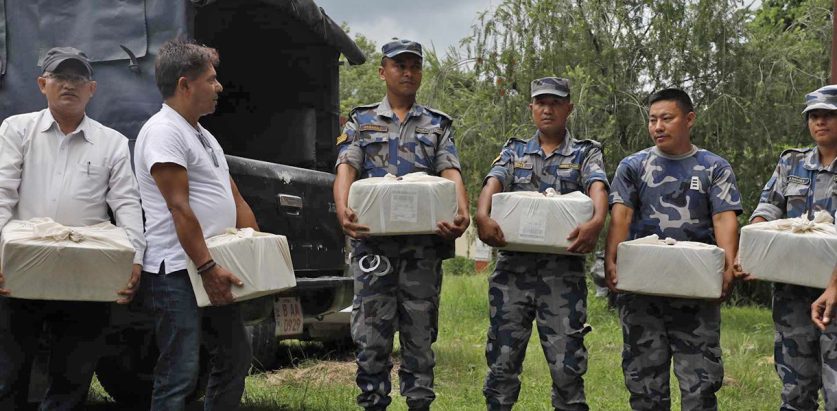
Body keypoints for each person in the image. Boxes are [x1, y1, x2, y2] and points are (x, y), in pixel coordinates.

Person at [0, 47, 145, 409]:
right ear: (42, 84)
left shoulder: (110, 142)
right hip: (20, 270)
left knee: (73, 377)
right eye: (60, 77)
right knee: (8, 373)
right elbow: (2, 193)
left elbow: (126, 204)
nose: (69, 85)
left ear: (92, 89)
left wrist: (135, 260)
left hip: (86, 274)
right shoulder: (17, 130)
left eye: (78, 78)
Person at [332, 38, 469, 411]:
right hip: (373, 248)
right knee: (371, 336)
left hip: (422, 250)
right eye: (399, 65)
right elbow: (346, 167)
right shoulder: (361, 121)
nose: (408, 72)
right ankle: (373, 402)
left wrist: (462, 212)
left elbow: (451, 171)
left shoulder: (437, 125)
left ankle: (419, 404)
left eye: (414, 66)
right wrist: (343, 209)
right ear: (383, 72)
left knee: (419, 335)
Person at [133, 38, 258, 410]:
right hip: (179, 271)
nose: (219, 87)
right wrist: (206, 268)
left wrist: (257, 248)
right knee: (180, 372)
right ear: (185, 85)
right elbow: (179, 207)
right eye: (211, 79)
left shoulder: (203, 135)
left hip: (212, 265)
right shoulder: (163, 132)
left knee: (236, 356)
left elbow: (233, 196)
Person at [475, 77, 609, 411]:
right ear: (532, 108)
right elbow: (493, 182)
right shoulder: (514, 150)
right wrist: (481, 215)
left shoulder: (585, 152)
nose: (547, 109)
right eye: (540, 103)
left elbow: (598, 188)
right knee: (502, 365)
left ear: (569, 108)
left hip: (562, 276)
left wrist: (596, 221)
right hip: (512, 275)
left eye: (555, 102)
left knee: (567, 369)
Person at [604, 88, 741, 410]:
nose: (658, 127)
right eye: (652, 120)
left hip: (695, 291)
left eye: (667, 118)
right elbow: (621, 215)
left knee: (700, 385)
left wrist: (728, 266)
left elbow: (724, 219)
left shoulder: (713, 168)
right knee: (644, 384)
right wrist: (610, 259)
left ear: (689, 119)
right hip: (642, 291)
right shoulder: (633, 166)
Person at [748, 84, 837, 410]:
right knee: (795, 391)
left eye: (828, 115)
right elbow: (767, 211)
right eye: (814, 116)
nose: (820, 122)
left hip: (835, 292)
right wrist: (753, 254)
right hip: (792, 296)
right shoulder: (791, 163)